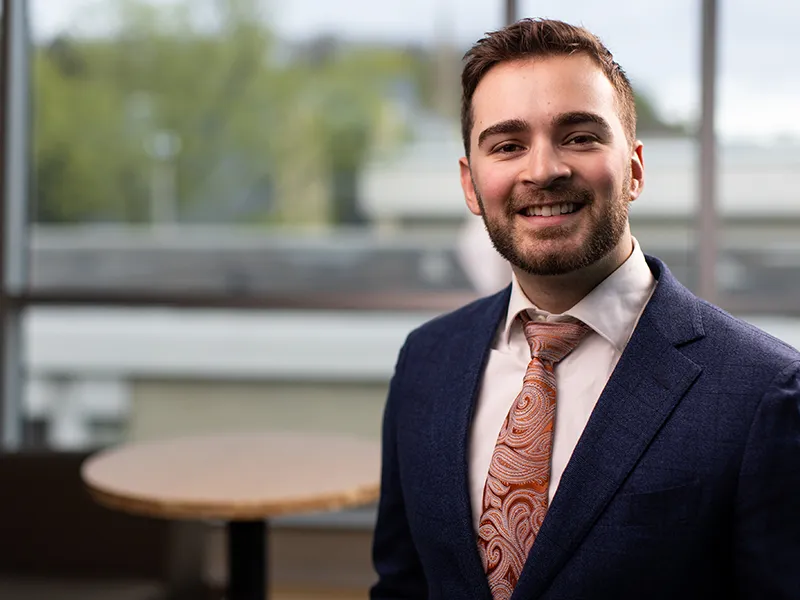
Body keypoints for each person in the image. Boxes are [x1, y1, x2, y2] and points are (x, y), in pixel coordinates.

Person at [370, 18, 800, 600]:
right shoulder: (425, 361)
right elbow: (403, 585)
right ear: (471, 185)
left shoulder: (764, 393)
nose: (544, 170)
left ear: (635, 169)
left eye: (579, 136)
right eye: (508, 145)